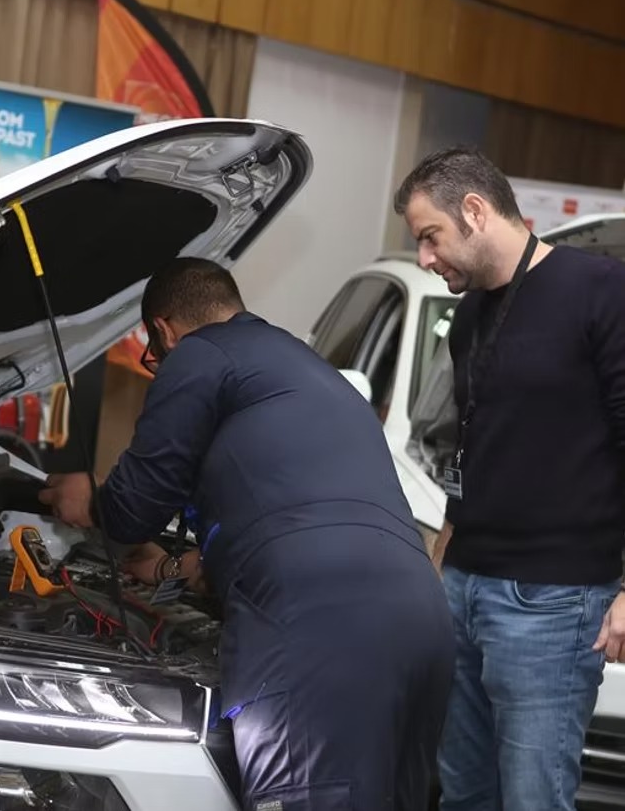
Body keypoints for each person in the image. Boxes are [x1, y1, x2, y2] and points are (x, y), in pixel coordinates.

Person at [39, 258, 455, 811]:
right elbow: (291, 520)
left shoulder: (199, 354)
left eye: (154, 356)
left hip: (316, 627)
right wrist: (168, 568)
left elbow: (131, 510)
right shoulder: (305, 369)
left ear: (163, 331)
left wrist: (89, 498)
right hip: (420, 622)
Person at [394, 146, 625, 811]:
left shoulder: (600, 291)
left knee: (532, 800)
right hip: (464, 588)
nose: (425, 258)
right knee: (464, 793)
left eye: (431, 237)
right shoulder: (469, 315)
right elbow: (470, 450)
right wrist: (440, 571)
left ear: (474, 211)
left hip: (552, 603)